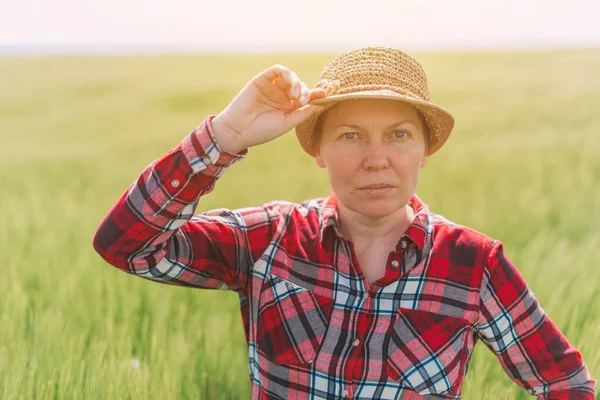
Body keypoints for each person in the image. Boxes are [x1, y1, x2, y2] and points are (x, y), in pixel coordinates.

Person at [92, 46, 595, 399]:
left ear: (425, 150)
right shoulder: (270, 239)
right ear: (318, 151)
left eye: (398, 135)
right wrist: (224, 136)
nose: (376, 159)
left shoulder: (473, 264)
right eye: (351, 136)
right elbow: (127, 245)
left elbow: (564, 382)